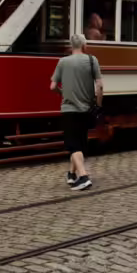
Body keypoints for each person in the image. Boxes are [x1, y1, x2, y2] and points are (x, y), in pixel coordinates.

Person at [50, 33, 102, 191]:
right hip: (87, 109)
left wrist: (62, 93)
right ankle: (71, 174)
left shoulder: (63, 62)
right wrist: (98, 105)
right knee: (79, 143)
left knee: (73, 145)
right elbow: (99, 86)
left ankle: (84, 177)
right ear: (84, 46)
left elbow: (52, 87)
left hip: (69, 109)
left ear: (71, 46)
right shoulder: (93, 60)